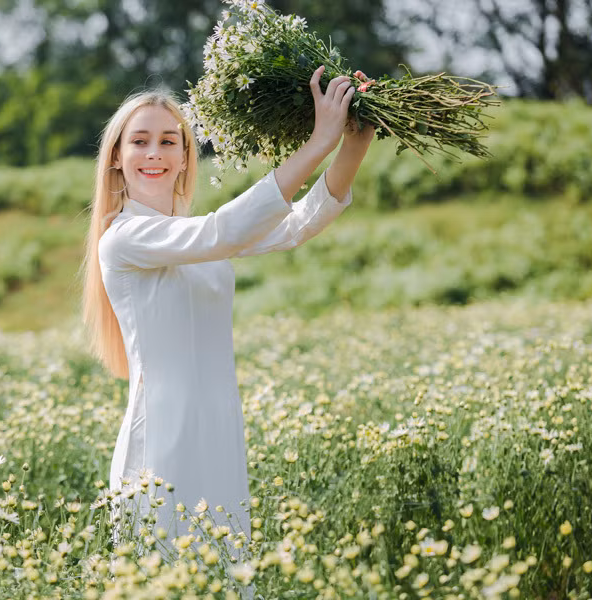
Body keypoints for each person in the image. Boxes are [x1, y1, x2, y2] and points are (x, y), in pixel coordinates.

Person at [80, 65, 374, 593]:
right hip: (162, 443)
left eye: (169, 141)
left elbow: (295, 226)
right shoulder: (123, 239)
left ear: (185, 157)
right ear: (117, 162)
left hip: (219, 431)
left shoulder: (191, 235)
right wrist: (317, 141)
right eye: (139, 142)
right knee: (167, 579)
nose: (154, 153)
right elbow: (225, 230)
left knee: (226, 578)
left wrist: (353, 139)